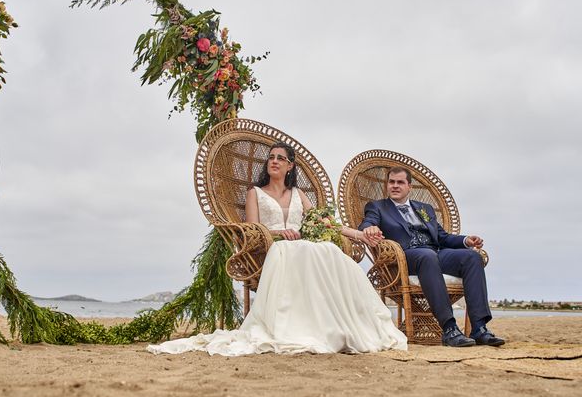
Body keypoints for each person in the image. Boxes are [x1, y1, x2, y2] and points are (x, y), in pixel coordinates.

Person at [147, 142, 407, 356]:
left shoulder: (298, 194)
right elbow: (251, 229)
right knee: (303, 250)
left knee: (329, 251)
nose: (274, 161)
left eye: (280, 158)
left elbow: (326, 223)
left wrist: (359, 234)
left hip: (304, 245)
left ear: (289, 165)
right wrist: (278, 233)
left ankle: (337, 324)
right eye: (271, 157)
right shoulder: (255, 193)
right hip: (275, 248)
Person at [358, 166, 505, 347]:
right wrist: (369, 228)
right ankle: (449, 328)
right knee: (427, 256)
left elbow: (442, 237)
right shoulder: (378, 207)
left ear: (409, 187)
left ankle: (479, 329)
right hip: (404, 258)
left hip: (434, 254)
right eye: (391, 182)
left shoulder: (424, 208)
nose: (395, 186)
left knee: (472, 258)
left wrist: (466, 240)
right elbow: (368, 222)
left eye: (400, 182)